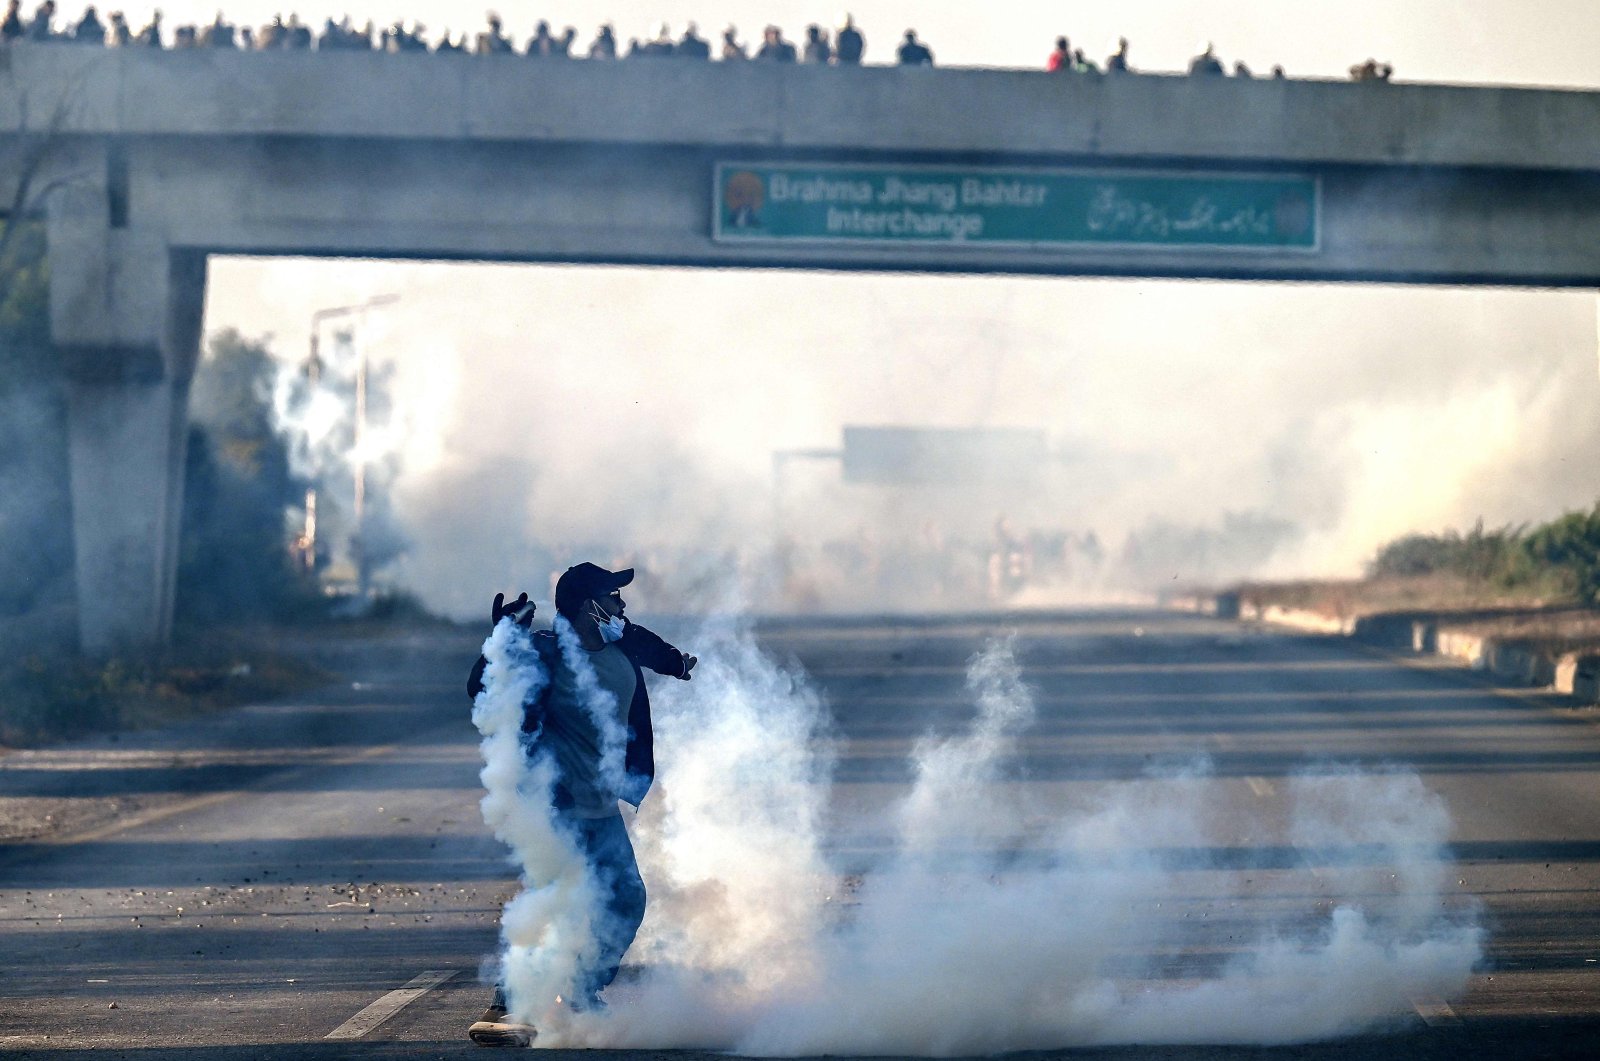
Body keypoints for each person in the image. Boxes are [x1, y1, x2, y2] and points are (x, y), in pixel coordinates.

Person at [465, 564, 697, 1047]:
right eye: (613, 597)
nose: (621, 606)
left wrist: (676, 662)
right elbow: (483, 687)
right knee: (555, 899)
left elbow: (649, 646)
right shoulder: (547, 653)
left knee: (627, 900)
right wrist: (504, 637)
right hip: (554, 803)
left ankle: (579, 989)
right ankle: (507, 1004)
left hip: (600, 806)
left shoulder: (619, 647)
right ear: (589, 606)